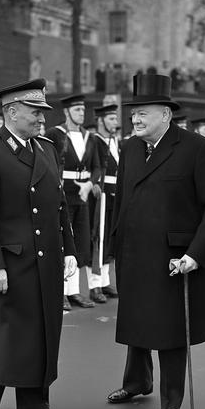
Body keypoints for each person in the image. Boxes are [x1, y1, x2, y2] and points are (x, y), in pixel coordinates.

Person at [106, 74, 205, 409]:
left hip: (174, 258)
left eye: (143, 113)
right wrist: (115, 243)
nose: (136, 120)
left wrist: (196, 254)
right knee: (137, 320)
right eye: (133, 114)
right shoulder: (129, 148)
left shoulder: (195, 149)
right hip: (134, 252)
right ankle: (137, 382)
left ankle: (171, 399)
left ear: (166, 115)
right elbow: (122, 200)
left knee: (171, 329)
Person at [0, 78, 77, 409]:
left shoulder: (45, 148)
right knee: (2, 335)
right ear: (11, 112)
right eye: (34, 112)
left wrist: (69, 250)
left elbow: (59, 206)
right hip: (7, 262)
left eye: (42, 112)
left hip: (44, 262)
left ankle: (34, 405)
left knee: (40, 333)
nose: (42, 119)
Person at [46, 94, 102, 310]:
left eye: (83, 110)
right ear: (67, 112)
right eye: (77, 110)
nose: (82, 113)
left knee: (79, 242)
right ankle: (60, 292)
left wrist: (90, 184)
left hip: (83, 195)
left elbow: (97, 167)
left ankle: (74, 291)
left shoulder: (90, 137)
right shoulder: (55, 134)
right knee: (61, 242)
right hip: (64, 193)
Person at [87, 103, 120, 303]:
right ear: (100, 121)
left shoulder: (113, 141)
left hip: (114, 194)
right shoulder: (95, 141)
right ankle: (94, 285)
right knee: (98, 237)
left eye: (115, 119)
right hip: (101, 195)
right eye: (110, 119)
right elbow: (94, 167)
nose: (115, 122)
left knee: (109, 238)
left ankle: (105, 281)